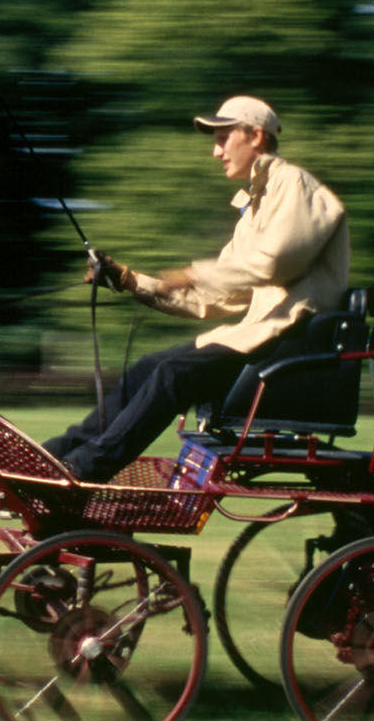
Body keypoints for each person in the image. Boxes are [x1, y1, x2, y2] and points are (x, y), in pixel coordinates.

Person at [48, 96, 348, 481]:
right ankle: (59, 454)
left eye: (223, 138)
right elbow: (221, 292)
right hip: (260, 337)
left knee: (174, 373)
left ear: (255, 136)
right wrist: (130, 280)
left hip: (293, 341)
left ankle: (85, 470)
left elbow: (273, 263)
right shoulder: (258, 201)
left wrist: (191, 273)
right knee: (149, 367)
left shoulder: (293, 184)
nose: (216, 151)